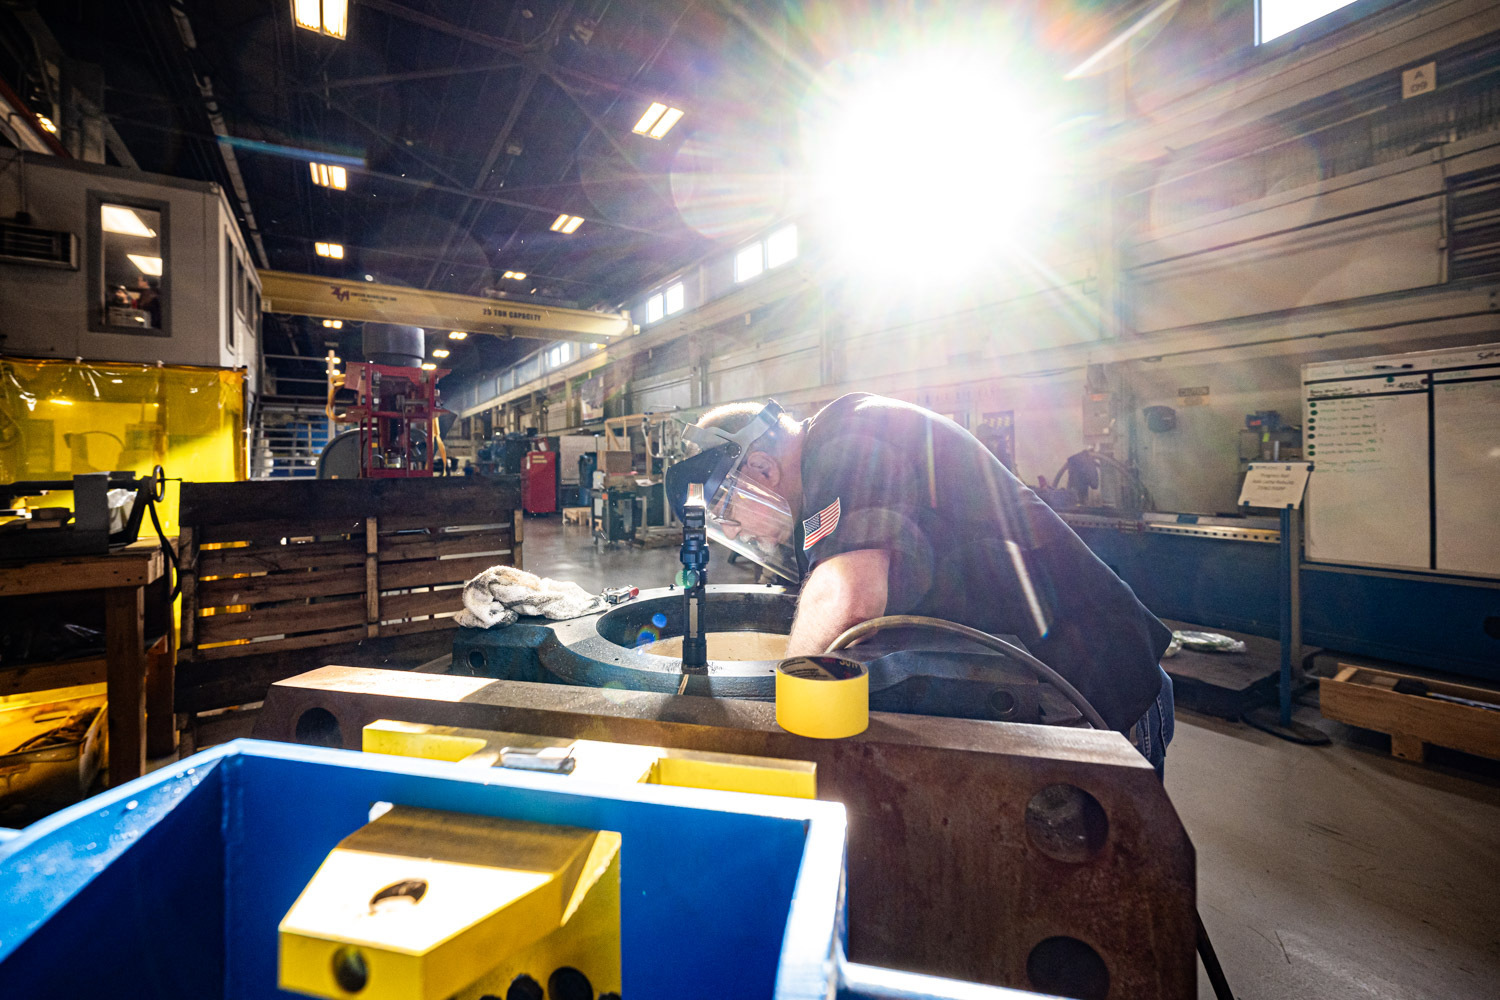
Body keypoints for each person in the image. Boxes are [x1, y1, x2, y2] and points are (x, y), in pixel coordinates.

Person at [666, 393, 1174, 774]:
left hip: (1099, 688)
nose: (737, 533)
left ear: (761, 467)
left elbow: (847, 595)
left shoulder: (843, 440)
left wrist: (773, 717)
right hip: (1045, 684)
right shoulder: (830, 466)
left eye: (728, 514)